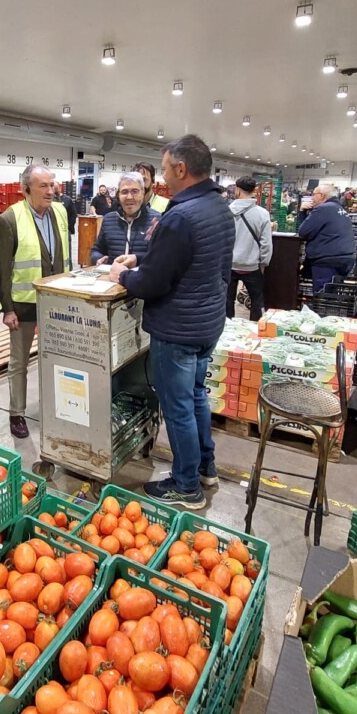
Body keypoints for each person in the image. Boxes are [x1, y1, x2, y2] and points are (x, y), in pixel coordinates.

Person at [109, 135, 234, 509]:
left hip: (178, 328)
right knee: (195, 397)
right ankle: (204, 468)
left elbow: (153, 283)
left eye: (163, 170)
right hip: (207, 322)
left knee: (177, 405)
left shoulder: (180, 215)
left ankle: (185, 485)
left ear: (181, 169)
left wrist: (123, 276)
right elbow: (190, 260)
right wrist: (142, 259)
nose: (160, 179)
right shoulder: (218, 207)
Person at [0, 164, 70, 439]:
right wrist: (7, 309)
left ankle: (56, 408)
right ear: (26, 189)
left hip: (57, 303)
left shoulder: (60, 212)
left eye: (53, 185)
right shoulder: (9, 219)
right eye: (44, 186)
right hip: (24, 304)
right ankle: (17, 413)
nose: (51, 191)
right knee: (19, 363)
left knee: (57, 359)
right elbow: (2, 268)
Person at [90, 173, 160, 266]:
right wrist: (98, 258)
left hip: (143, 279)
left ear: (143, 193)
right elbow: (96, 250)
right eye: (124, 192)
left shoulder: (156, 221)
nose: (129, 197)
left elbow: (163, 257)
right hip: (112, 278)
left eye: (135, 191)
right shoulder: (108, 220)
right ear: (118, 195)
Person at [227, 176, 272, 321]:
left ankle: (227, 329)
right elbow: (266, 243)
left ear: (237, 190)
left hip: (229, 265)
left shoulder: (225, 211)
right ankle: (255, 329)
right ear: (254, 191)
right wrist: (264, 262)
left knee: (227, 301)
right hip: (252, 266)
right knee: (257, 300)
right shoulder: (262, 214)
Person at [299, 184, 357, 293]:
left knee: (322, 296)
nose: (312, 197)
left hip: (327, 260)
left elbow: (303, 232)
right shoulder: (340, 209)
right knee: (332, 295)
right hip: (345, 259)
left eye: (313, 194)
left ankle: (320, 309)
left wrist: (302, 212)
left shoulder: (323, 209)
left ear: (322, 196)